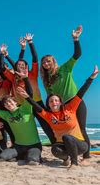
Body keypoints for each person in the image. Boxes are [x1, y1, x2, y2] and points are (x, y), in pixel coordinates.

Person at [20, 66, 98, 167]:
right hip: (63, 145)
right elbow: (36, 106)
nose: (54, 102)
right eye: (51, 101)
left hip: (80, 144)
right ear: (48, 104)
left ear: (60, 103)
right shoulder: (48, 115)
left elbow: (81, 93)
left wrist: (91, 78)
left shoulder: (70, 108)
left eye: (56, 100)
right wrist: (27, 97)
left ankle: (74, 163)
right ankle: (65, 159)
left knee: (67, 137)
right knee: (55, 149)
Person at [40, 25, 91, 154]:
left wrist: (76, 39)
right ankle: (66, 153)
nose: (46, 64)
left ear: (53, 61)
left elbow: (77, 54)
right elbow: (50, 98)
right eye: (44, 63)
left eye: (48, 61)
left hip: (75, 102)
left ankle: (87, 156)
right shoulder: (47, 81)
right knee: (64, 131)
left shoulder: (64, 69)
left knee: (81, 129)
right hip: (62, 108)